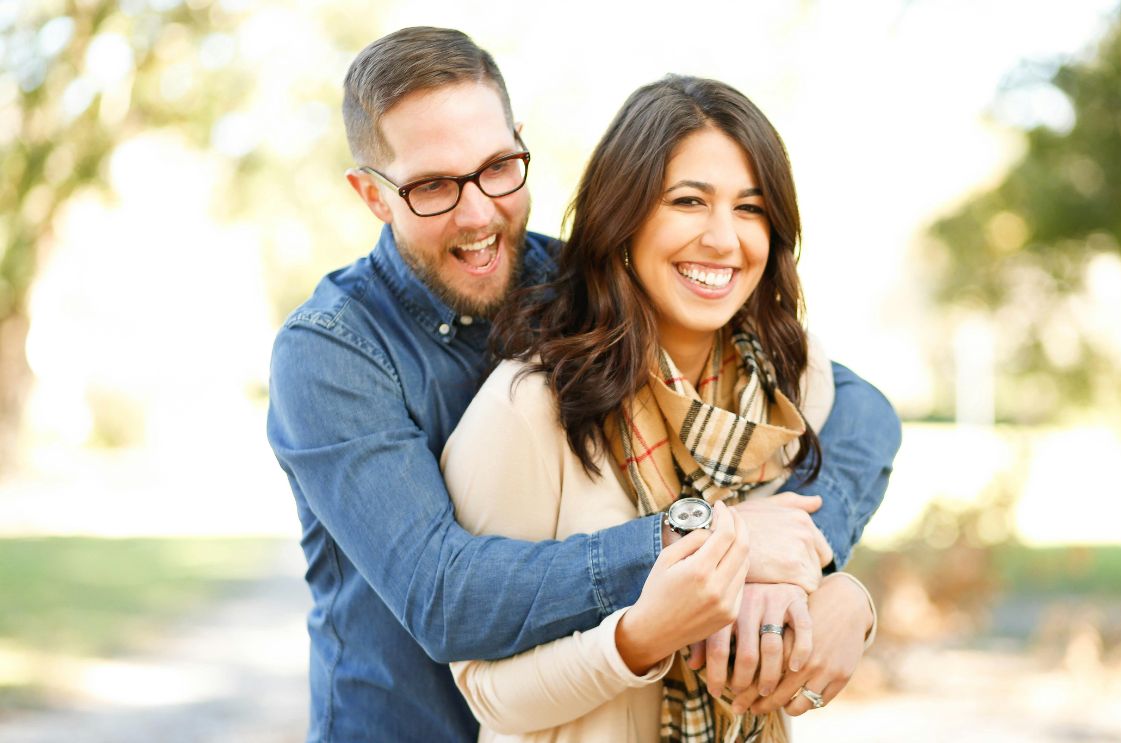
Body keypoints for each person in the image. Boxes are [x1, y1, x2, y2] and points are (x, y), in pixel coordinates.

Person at [266, 27, 901, 742]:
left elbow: (861, 410)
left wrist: (809, 563)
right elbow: (444, 594)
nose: (479, 214)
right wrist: (704, 541)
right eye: (432, 186)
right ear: (372, 196)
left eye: (498, 167)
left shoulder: (580, 286)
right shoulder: (333, 352)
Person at [440, 74, 875, 743]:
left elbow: (796, 553)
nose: (723, 239)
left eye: (750, 208)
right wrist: (640, 637)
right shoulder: (530, 408)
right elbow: (488, 692)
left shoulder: (792, 377)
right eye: (688, 201)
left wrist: (847, 598)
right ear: (624, 215)